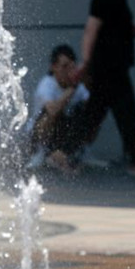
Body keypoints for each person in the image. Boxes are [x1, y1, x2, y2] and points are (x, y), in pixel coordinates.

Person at [74, 0, 135, 177]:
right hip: (109, 70)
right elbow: (91, 29)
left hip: (114, 68)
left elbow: (110, 29)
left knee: (93, 115)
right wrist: (85, 62)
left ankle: (61, 152)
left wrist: (129, 31)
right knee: (126, 115)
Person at [24, 44, 92, 174]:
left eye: (71, 67)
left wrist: (86, 79)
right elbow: (52, 111)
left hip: (62, 135)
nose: (67, 71)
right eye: (64, 67)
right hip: (40, 135)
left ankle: (63, 154)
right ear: (53, 67)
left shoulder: (80, 87)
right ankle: (43, 154)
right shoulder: (47, 84)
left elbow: (91, 114)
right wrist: (72, 88)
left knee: (84, 112)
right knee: (51, 112)